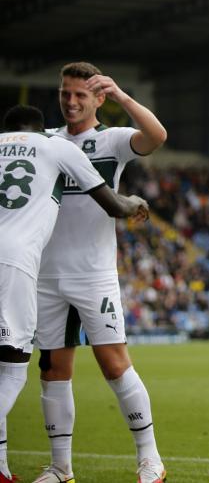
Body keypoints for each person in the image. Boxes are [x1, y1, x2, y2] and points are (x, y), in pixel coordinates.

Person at [33, 62, 168, 483]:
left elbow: (157, 136)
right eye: (64, 94)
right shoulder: (47, 141)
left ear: (98, 99)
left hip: (94, 275)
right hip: (46, 275)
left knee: (114, 364)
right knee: (53, 369)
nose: (71, 102)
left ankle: (150, 459)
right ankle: (60, 467)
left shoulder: (110, 141)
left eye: (80, 95)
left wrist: (124, 96)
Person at [0, 105, 148, 483]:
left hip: (69, 271)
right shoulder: (56, 146)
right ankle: (58, 466)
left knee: (34, 367)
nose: (70, 101)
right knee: (14, 369)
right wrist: (135, 203)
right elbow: (113, 204)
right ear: (39, 127)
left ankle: (9, 468)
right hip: (19, 264)